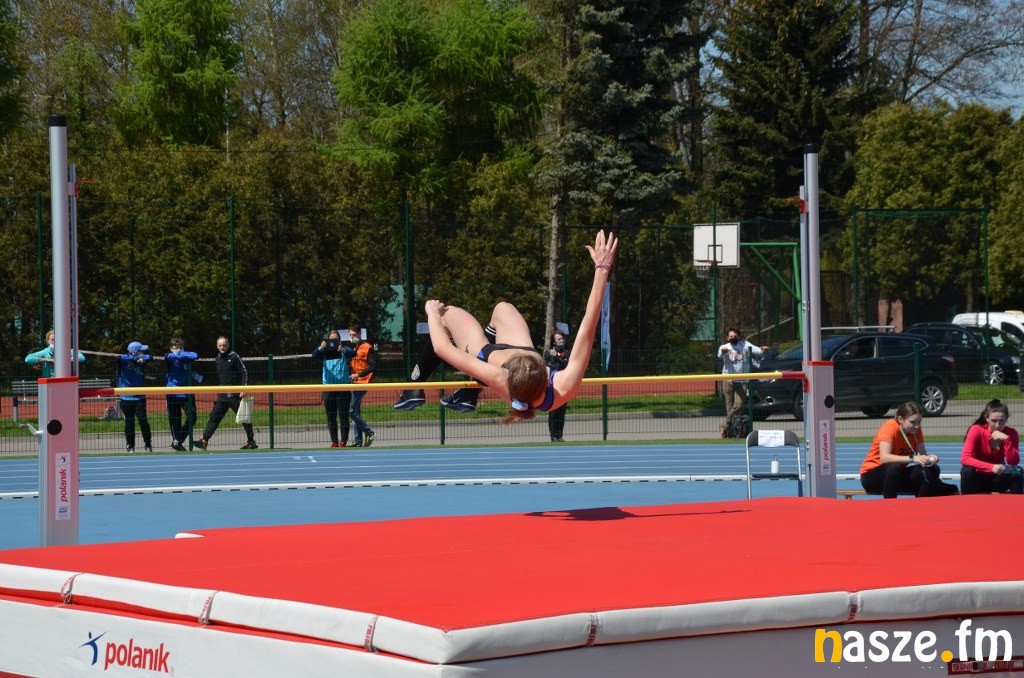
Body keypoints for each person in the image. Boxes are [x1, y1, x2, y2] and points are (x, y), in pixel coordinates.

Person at [393, 230, 618, 423]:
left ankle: (413, 387)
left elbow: (442, 348)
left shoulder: (498, 377)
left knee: (445, 315)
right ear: (544, 377)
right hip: (521, 344)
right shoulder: (563, 386)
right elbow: (588, 327)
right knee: (503, 308)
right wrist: (601, 269)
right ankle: (469, 393)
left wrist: (432, 313)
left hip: (486, 354)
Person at [859, 401, 958, 498]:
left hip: (896, 476)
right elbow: (884, 458)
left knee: (932, 469)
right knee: (893, 467)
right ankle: (890, 505)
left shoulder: (916, 430)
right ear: (900, 419)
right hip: (872, 477)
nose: (917, 426)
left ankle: (922, 504)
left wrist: (930, 459)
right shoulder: (890, 427)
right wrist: (913, 458)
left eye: (919, 422)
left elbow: (923, 456)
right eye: (912, 422)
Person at [196, 336, 258, 450]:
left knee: (244, 418)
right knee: (214, 417)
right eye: (220, 345)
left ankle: (251, 441)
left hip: (235, 395)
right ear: (217, 346)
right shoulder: (217, 359)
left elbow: (244, 372)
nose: (222, 347)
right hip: (222, 396)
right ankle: (204, 440)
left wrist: (243, 388)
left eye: (224, 345)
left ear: (228, 345)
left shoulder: (234, 356)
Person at [960, 399, 1023, 495]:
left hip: (998, 478)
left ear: (1006, 419)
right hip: (978, 477)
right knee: (966, 471)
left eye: (1001, 421)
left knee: (1017, 471)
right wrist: (991, 467)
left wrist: (1007, 440)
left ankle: (1017, 502)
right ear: (987, 418)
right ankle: (967, 502)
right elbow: (965, 458)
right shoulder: (976, 430)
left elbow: (1013, 462)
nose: (997, 425)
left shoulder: (1011, 433)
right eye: (994, 421)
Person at [718, 328, 765, 437]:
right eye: (731, 336)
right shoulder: (725, 347)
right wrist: (723, 352)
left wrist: (763, 350)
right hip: (728, 379)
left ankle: (724, 425)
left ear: (739, 337)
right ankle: (730, 432)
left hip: (742, 380)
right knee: (729, 407)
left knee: (738, 406)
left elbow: (758, 351)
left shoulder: (745, 345)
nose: (733, 338)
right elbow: (720, 354)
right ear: (727, 338)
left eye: (735, 336)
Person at [312, 329, 354, 448]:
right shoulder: (324, 352)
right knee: (331, 416)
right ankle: (334, 441)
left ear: (339, 340)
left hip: (343, 388)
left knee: (343, 415)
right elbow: (314, 355)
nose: (333, 341)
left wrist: (343, 350)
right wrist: (320, 347)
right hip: (329, 388)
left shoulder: (344, 351)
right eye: (331, 339)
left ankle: (343, 441)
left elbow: (353, 353)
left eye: (335, 339)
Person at [117, 341, 153, 453]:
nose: (143, 352)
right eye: (141, 351)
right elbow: (120, 357)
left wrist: (141, 359)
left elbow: (150, 357)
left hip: (139, 398)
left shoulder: (143, 359)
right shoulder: (123, 359)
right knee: (129, 422)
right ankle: (130, 446)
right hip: (126, 398)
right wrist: (134, 359)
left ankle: (148, 444)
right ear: (134, 352)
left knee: (143, 420)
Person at [165, 337, 199, 451]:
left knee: (192, 417)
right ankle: (177, 443)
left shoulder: (187, 356)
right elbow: (169, 357)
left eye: (180, 348)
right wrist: (181, 355)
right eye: (176, 348)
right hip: (173, 393)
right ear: (171, 348)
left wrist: (183, 354)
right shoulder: (169, 357)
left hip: (186, 393)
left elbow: (195, 355)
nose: (178, 350)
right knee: (175, 420)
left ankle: (178, 440)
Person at [348, 326, 377, 447]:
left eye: (354, 334)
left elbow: (372, 366)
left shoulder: (367, 347)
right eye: (350, 335)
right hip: (355, 383)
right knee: (356, 411)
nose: (352, 337)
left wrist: (358, 375)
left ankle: (369, 432)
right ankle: (358, 440)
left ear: (360, 334)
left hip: (363, 382)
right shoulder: (354, 348)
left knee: (351, 411)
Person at [544, 330, 570, 442]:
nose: (561, 341)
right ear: (554, 342)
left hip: (564, 385)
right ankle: (553, 435)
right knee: (553, 411)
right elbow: (548, 367)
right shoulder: (548, 353)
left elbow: (565, 365)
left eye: (562, 339)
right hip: (553, 386)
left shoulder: (567, 353)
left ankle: (560, 435)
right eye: (559, 339)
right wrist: (554, 357)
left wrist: (557, 358)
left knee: (561, 412)